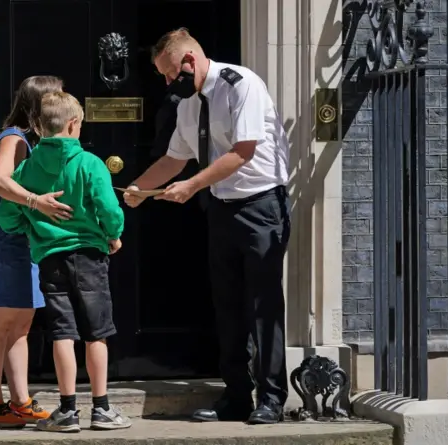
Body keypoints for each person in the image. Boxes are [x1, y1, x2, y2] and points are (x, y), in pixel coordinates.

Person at [124, 28, 291, 425]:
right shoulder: (188, 102)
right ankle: (237, 397)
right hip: (221, 208)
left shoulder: (241, 84)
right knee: (228, 307)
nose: (166, 83)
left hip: (261, 205)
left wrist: (193, 186)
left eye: (168, 73)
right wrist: (138, 187)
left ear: (189, 62)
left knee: (263, 306)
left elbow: (243, 151)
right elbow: (174, 159)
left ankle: (271, 400)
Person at [0, 91, 131, 433]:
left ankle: (67, 410)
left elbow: (6, 216)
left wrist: (30, 225)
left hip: (50, 259)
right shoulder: (90, 164)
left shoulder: (26, 168)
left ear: (38, 127)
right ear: (74, 124)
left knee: (62, 333)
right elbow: (109, 210)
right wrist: (113, 234)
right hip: (89, 256)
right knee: (96, 334)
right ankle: (101, 408)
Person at [0, 76, 73, 428]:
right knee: (1, 325)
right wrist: (37, 202)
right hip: (4, 243)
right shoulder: (14, 138)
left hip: (21, 243)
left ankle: (20, 401)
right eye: (55, 97)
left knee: (21, 325)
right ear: (38, 103)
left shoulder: (29, 141)